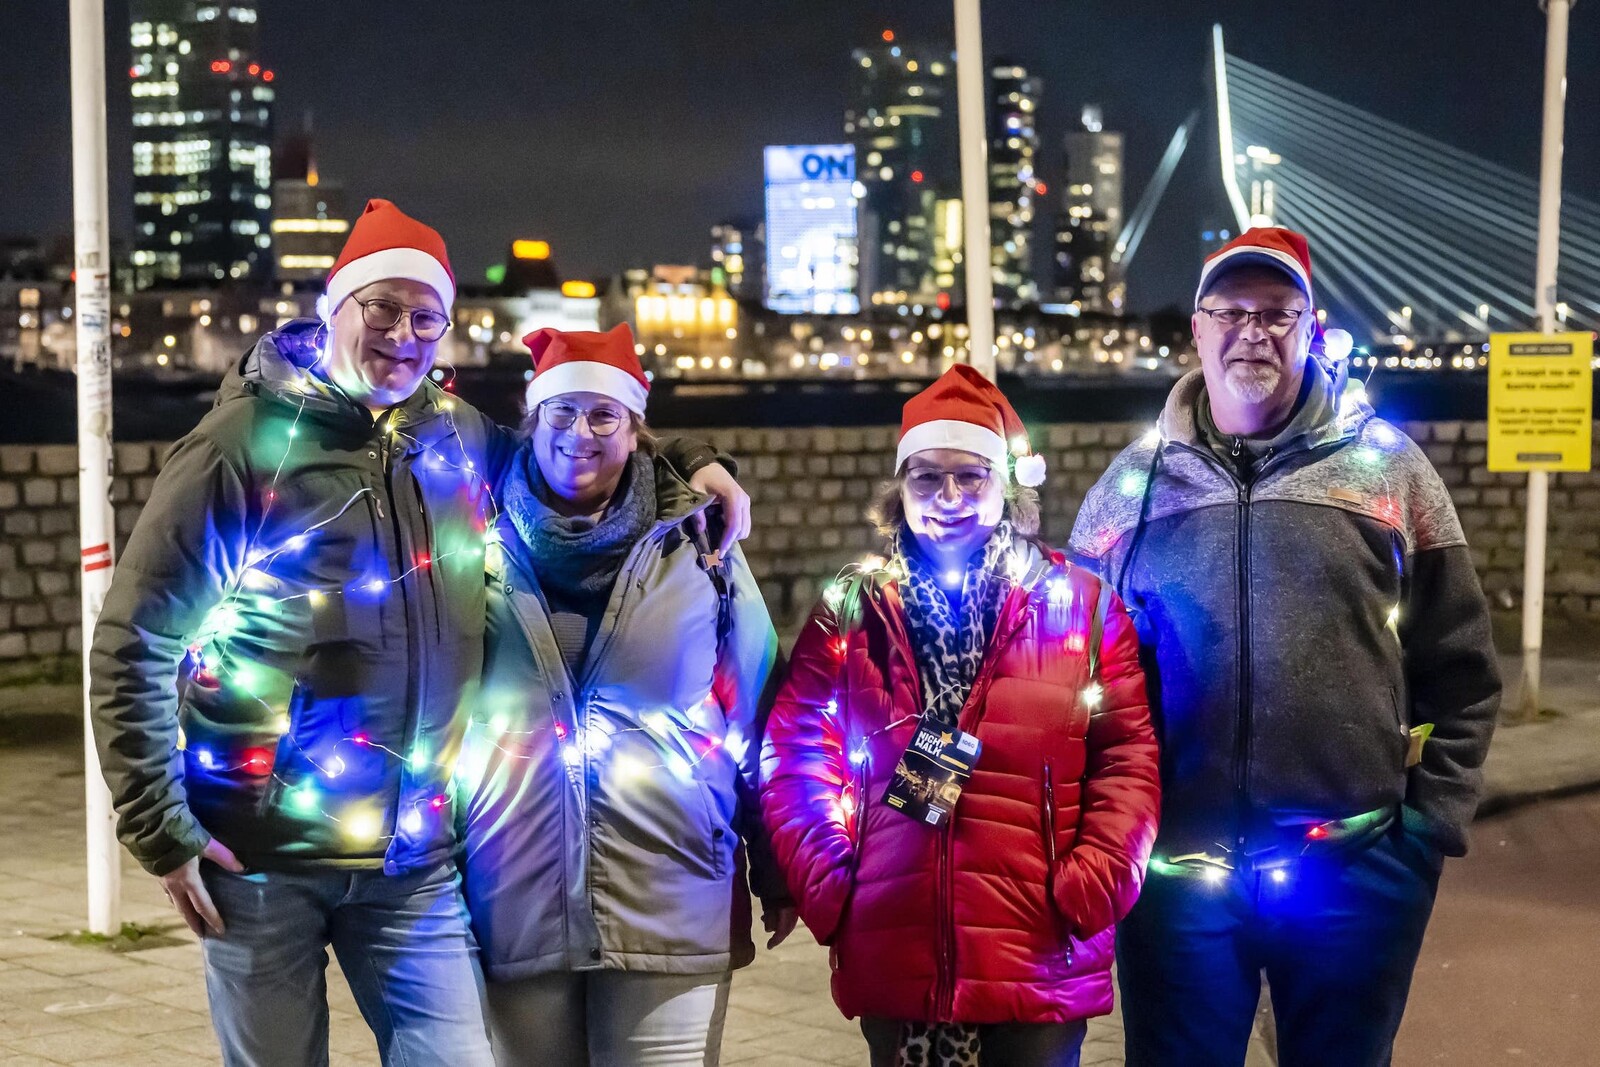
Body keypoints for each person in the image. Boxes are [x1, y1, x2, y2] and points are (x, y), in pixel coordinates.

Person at [89, 200, 749, 1067]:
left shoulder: (457, 437)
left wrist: (694, 459)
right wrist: (160, 828)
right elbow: (134, 642)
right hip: (258, 857)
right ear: (337, 305)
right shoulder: (242, 448)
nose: (404, 333)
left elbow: (578, 442)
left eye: (426, 316)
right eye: (383, 308)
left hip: (414, 857)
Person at [1069, 227, 1501, 1067]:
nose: (1252, 331)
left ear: (1313, 325)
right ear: (1196, 329)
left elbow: (1462, 667)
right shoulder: (1127, 491)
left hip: (1356, 870)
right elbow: (1075, 681)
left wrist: (1425, 829)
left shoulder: (1390, 473)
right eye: (1230, 311)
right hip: (1177, 883)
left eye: (1277, 312)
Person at [762, 366, 1161, 1067]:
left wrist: (1091, 883)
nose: (948, 497)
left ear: (1007, 487)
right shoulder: (854, 607)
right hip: (896, 944)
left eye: (971, 476)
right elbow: (795, 749)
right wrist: (833, 884)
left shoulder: (1082, 605)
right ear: (899, 489)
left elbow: (1128, 755)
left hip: (1037, 950)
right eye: (926, 477)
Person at [456, 324, 794, 1066]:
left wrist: (776, 867)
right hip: (514, 895)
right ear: (532, 418)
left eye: (604, 414)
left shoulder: (699, 545)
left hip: (671, 894)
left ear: (636, 427)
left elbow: (763, 712)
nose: (581, 432)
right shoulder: (469, 536)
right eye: (562, 411)